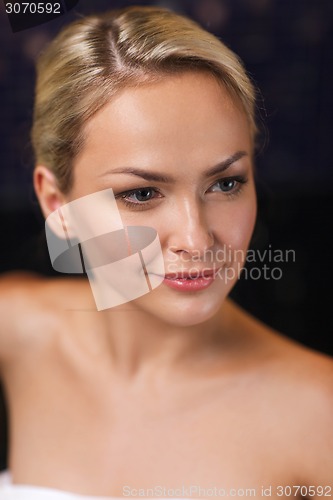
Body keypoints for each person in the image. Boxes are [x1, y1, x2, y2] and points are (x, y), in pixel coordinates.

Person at [0, 5, 332, 499]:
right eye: (141, 194)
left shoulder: (317, 416)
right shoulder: (18, 333)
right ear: (57, 203)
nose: (197, 241)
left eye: (225, 183)